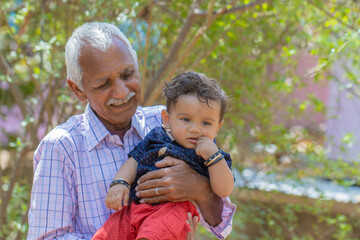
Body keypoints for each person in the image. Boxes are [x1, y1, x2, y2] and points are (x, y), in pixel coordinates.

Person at [27, 22, 236, 240]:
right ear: (78, 90)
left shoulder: (171, 122)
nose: (121, 91)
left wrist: (199, 190)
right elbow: (46, 237)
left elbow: (221, 224)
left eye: (127, 75)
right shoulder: (61, 147)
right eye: (103, 84)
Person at [93, 72, 234, 240]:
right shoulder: (157, 136)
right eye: (186, 119)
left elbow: (224, 189)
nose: (195, 129)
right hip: (136, 207)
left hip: (173, 210)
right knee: (107, 234)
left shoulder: (211, 155)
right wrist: (120, 182)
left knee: (155, 234)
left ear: (218, 127)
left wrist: (213, 157)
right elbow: (134, 160)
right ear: (167, 119)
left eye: (206, 123)